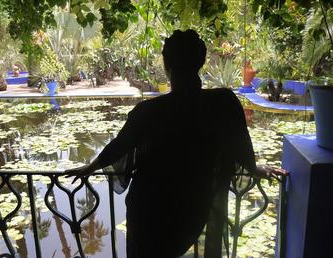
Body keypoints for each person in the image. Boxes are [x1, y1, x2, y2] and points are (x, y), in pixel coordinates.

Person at [66, 29, 285, 258]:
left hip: (149, 210)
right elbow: (240, 146)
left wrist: (90, 167)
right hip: (192, 207)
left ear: (166, 65)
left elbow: (120, 147)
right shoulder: (223, 104)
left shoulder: (148, 112)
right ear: (200, 62)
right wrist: (253, 168)